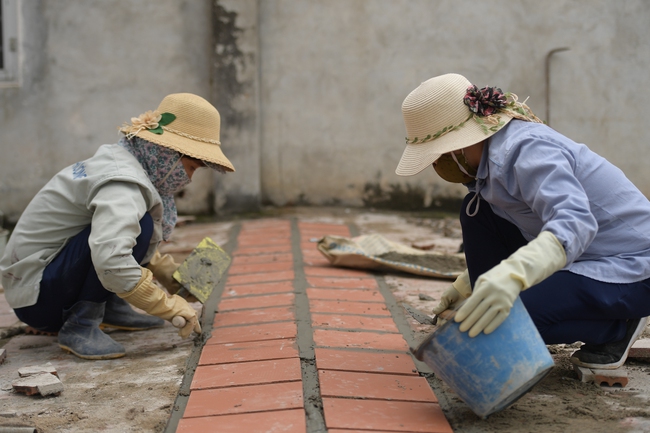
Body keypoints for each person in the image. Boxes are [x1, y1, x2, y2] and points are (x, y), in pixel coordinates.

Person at [396, 73, 650, 370]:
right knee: (477, 211)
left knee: (507, 323)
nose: (437, 165)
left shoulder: (527, 150)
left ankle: (615, 329)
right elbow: (526, 223)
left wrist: (513, 276)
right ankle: (488, 303)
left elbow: (576, 223)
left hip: (634, 268)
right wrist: (470, 285)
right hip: (583, 256)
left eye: (438, 155)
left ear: (460, 145)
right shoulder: (490, 167)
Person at [0, 93, 234, 360]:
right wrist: (167, 306)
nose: (189, 179)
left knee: (132, 226)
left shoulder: (123, 160)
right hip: (38, 300)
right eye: (191, 167)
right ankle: (81, 325)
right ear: (167, 155)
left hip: (39, 282)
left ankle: (110, 307)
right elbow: (112, 257)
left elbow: (115, 236)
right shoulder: (123, 183)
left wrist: (168, 273)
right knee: (140, 225)